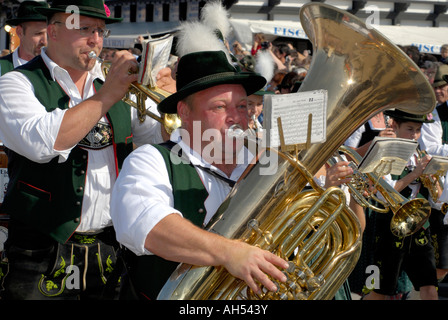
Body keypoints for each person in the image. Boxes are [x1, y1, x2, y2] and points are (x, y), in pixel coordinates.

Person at [0, 0, 168, 300]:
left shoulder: (112, 85)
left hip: (112, 249)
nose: (96, 40)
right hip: (42, 251)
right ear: (52, 31)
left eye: (101, 31)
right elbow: (43, 143)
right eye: (85, 29)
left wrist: (169, 101)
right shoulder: (16, 83)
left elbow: (156, 140)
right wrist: (106, 96)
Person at [363, 109, 439, 300]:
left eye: (418, 130)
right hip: (389, 226)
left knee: (429, 286)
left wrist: (434, 180)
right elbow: (383, 192)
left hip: (419, 225)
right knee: (381, 292)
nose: (414, 135)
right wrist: (415, 174)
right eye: (410, 129)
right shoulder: (385, 152)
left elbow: (436, 197)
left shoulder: (419, 153)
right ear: (394, 126)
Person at [418, 65, 448, 282]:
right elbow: (430, 150)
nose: (438, 91)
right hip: (444, 195)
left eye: (442, 86)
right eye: (435, 87)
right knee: (442, 265)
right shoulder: (433, 114)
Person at [0, 1, 49, 75]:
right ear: (20, 32)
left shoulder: (59, 71)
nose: (45, 41)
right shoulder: (2, 68)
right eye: (38, 33)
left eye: (49, 34)